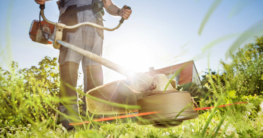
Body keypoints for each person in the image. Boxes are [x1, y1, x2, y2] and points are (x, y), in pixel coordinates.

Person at [35, 0, 132, 130]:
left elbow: (109, 5)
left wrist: (120, 11)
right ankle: (69, 127)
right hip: (70, 26)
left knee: (95, 79)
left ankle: (94, 126)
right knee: (68, 77)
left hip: (95, 28)